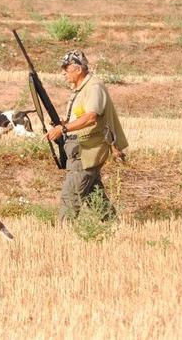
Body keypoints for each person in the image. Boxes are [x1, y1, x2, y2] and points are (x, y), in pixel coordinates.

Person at [44, 50, 128, 223]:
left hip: (87, 152)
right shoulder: (81, 89)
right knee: (94, 196)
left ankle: (63, 233)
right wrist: (64, 123)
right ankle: (114, 227)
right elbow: (79, 117)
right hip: (82, 150)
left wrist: (64, 129)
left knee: (71, 195)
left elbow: (91, 117)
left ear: (78, 69)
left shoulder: (93, 87)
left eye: (66, 68)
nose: (63, 73)